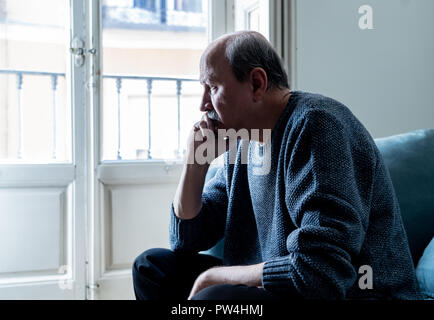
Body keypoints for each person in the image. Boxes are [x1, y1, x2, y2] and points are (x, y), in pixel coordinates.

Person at [132, 31, 422, 300]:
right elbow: (185, 241)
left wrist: (214, 277)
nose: (203, 104)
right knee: (151, 268)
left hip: (350, 294)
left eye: (213, 87)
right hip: (281, 286)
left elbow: (319, 272)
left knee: (215, 297)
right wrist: (195, 164)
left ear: (257, 83)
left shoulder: (317, 125)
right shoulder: (243, 142)